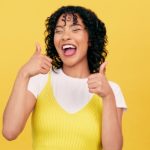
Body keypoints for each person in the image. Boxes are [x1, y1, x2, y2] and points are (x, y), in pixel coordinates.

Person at [2, 5, 127, 150]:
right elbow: (9, 132)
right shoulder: (40, 80)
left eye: (75, 29)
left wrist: (108, 96)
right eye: (59, 31)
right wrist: (23, 74)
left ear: (90, 39)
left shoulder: (110, 90)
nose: (65, 36)